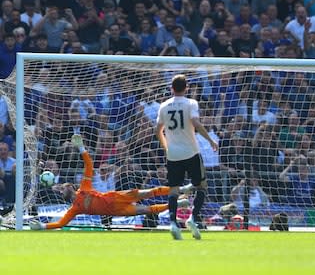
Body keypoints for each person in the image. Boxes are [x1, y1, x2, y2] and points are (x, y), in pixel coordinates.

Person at [29, 135, 192, 230]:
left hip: (117, 198)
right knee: (149, 210)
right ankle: (179, 203)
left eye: (61, 188)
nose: (59, 191)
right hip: (118, 211)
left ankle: (181, 188)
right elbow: (60, 223)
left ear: (71, 186)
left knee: (150, 192)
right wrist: (42, 227)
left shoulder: (84, 188)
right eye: (59, 191)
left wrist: (81, 147)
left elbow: (89, 165)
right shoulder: (75, 209)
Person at [156, 75, 218, 240]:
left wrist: (166, 147)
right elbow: (196, 123)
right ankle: (193, 218)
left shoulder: (164, 105)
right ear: (186, 88)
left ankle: (173, 223)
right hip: (191, 151)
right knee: (202, 186)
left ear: (171, 88)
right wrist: (211, 140)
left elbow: (158, 130)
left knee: (174, 189)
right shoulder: (191, 103)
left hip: (173, 154)